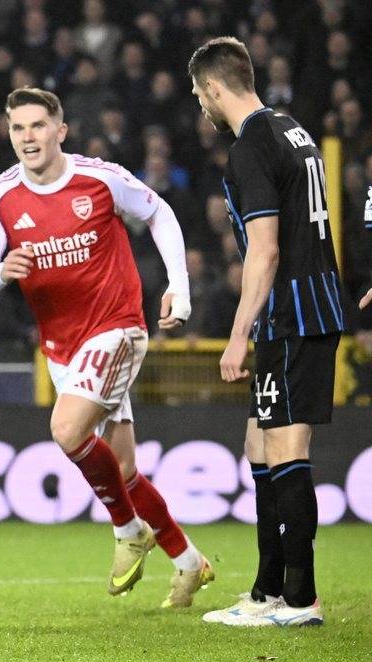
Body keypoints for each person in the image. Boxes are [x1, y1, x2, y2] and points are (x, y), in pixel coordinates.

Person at [0, 86, 212, 608]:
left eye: (37, 125)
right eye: (17, 128)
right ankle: (189, 562)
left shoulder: (100, 178)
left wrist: (179, 286)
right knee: (124, 471)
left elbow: (160, 213)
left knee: (66, 429)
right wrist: (0, 273)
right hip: (60, 347)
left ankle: (128, 529)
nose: (28, 137)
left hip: (117, 327)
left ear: (60, 130)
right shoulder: (0, 196)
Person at [189, 37, 348, 627]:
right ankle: (267, 591)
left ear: (214, 88)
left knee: (285, 447)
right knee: (259, 442)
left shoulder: (251, 146)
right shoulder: (292, 129)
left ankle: (299, 599)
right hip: (312, 305)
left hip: (290, 314)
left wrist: (238, 334)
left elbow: (265, 250)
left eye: (199, 95)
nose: (200, 105)